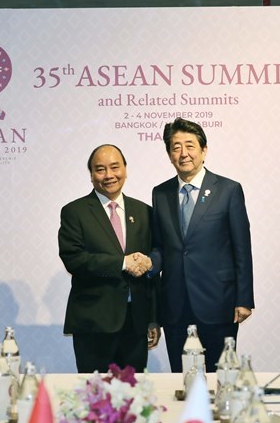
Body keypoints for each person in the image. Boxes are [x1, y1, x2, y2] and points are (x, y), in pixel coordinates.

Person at [150, 118, 254, 373]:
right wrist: (149, 261)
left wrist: (244, 298)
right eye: (176, 147)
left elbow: (242, 247)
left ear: (204, 150)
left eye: (190, 145)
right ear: (169, 155)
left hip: (219, 303)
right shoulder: (160, 193)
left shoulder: (228, 190)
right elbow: (160, 246)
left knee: (219, 379)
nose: (183, 153)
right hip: (175, 304)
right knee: (181, 377)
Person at [58, 144, 160, 373]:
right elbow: (74, 259)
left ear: (125, 168)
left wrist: (153, 319)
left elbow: (151, 271)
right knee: (94, 397)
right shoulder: (75, 212)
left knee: (134, 398)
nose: (109, 175)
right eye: (100, 169)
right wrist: (122, 263)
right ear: (91, 175)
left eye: (115, 167)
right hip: (94, 324)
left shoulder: (144, 212)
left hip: (136, 325)